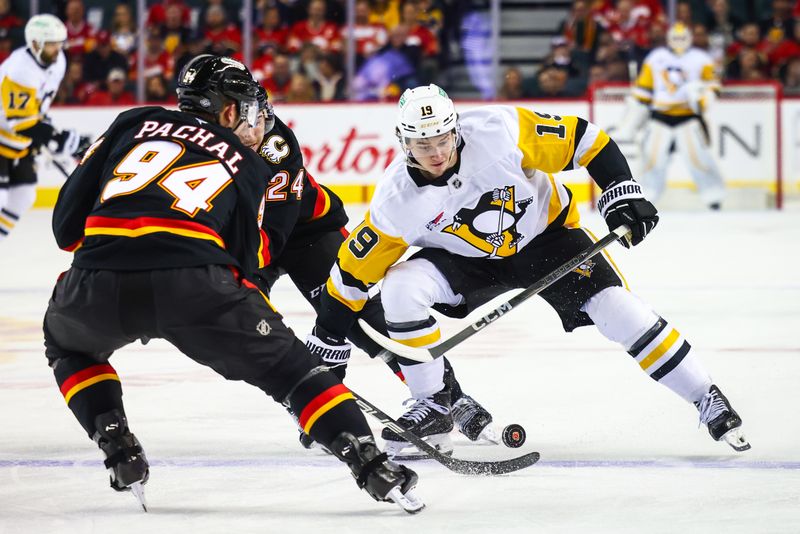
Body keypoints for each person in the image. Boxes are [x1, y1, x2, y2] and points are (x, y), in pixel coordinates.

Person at [42, 54, 422, 514]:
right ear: (228, 112)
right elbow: (248, 259)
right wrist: (261, 329)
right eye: (250, 109)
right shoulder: (247, 159)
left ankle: (117, 445)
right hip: (196, 286)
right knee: (296, 374)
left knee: (68, 345)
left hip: (95, 281)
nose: (260, 119)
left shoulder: (131, 122)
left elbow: (65, 228)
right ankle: (371, 466)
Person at [311, 83, 750, 458]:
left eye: (443, 138)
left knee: (617, 309)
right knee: (401, 287)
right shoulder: (395, 201)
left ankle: (705, 396)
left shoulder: (499, 130)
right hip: (468, 263)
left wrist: (621, 191)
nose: (437, 152)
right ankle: (434, 404)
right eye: (423, 144)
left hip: (549, 241)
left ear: (456, 128)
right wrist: (327, 342)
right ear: (403, 142)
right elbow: (350, 278)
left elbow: (586, 139)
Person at [244, 87, 499, 454]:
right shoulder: (202, 149)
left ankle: (445, 397)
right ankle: (311, 405)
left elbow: (276, 225)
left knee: (361, 317)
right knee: (250, 330)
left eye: (259, 114)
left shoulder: (275, 145)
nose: (257, 126)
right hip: (254, 245)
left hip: (306, 235)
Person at [0, 15, 81, 242]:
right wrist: (55, 138)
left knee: (23, 196)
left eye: (60, 43)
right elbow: (22, 123)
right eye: (52, 44)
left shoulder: (59, 62)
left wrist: (50, 135)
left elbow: (37, 108)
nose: (58, 49)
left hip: (17, 141)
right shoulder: (19, 70)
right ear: (35, 44)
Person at [629, 22, 726, 209]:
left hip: (688, 117)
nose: (679, 42)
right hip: (660, 116)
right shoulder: (656, 57)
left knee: (698, 158)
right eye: (675, 38)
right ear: (668, 39)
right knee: (653, 157)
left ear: (689, 38)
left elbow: (713, 84)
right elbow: (644, 88)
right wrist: (637, 108)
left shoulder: (701, 58)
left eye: (683, 38)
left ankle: (713, 195)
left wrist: (706, 97)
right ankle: (647, 195)